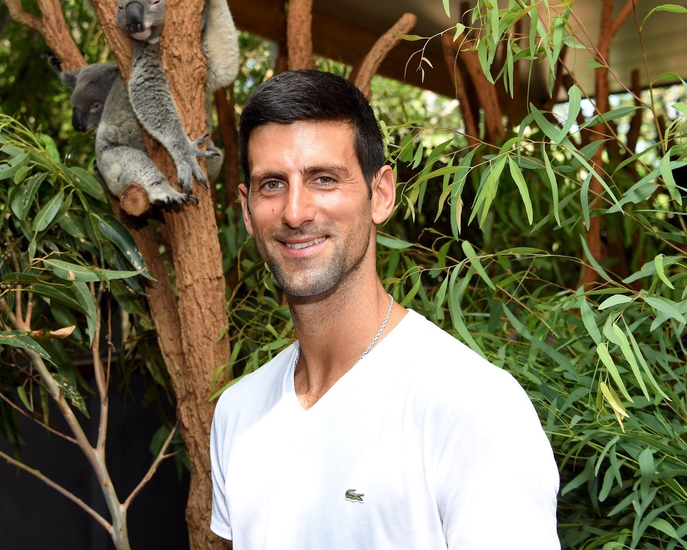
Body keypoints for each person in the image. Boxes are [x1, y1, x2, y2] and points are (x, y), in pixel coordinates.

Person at [210, 70, 560, 549]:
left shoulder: (471, 406)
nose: (294, 212)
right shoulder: (238, 412)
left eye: (323, 179)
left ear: (381, 195)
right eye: (272, 184)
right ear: (247, 210)